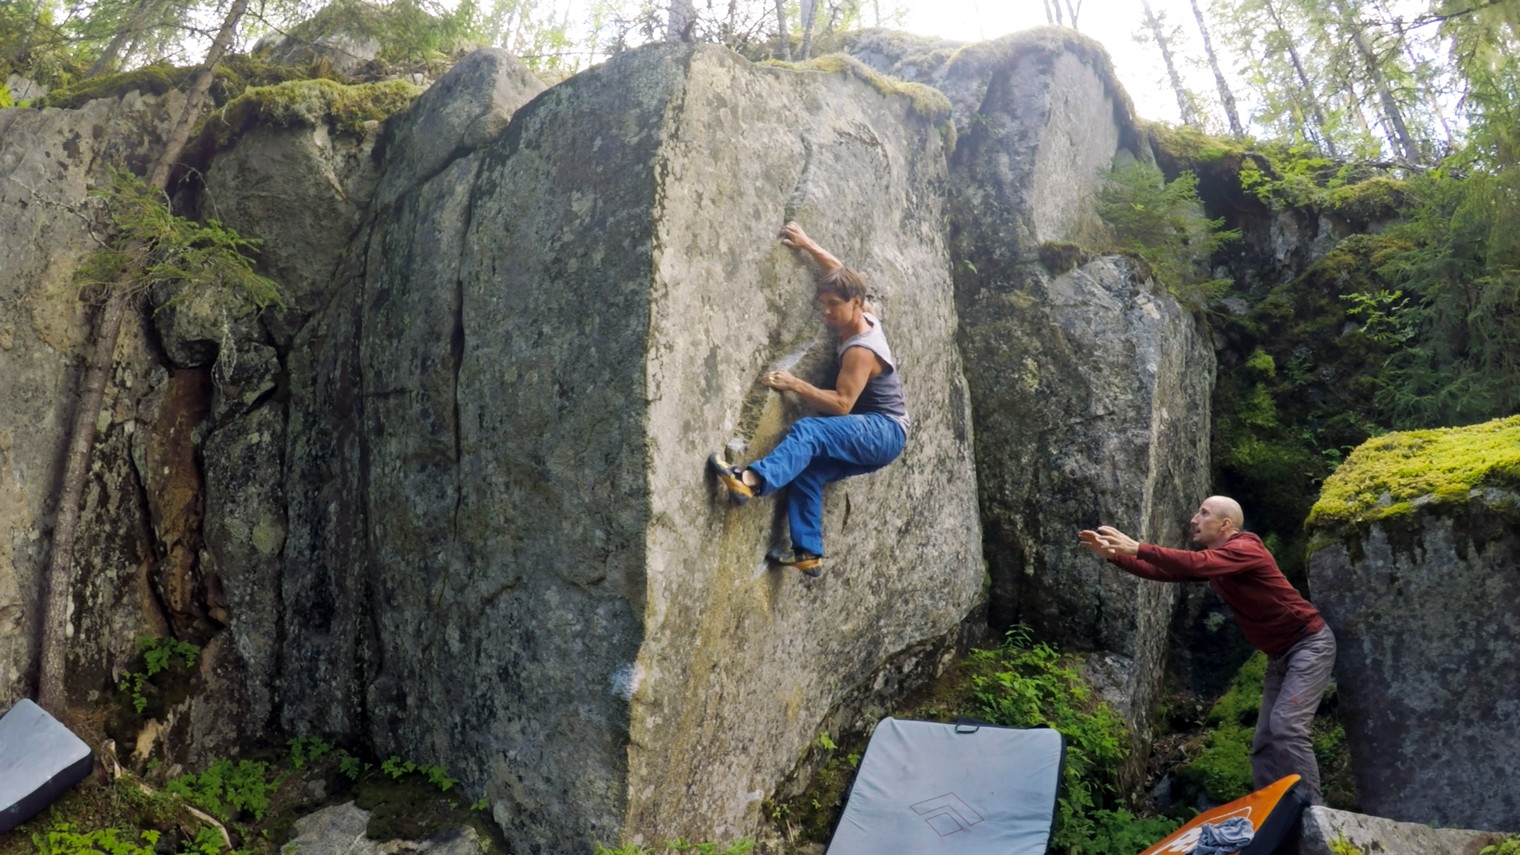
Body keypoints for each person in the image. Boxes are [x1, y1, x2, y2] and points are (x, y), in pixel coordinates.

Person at [1078, 496, 1336, 800]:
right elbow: (1165, 571)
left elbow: (1194, 562)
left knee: (1287, 727)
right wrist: (1114, 556)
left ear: (1225, 524)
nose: (1194, 519)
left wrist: (1138, 547)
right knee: (1265, 740)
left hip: (1308, 644)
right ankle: (1269, 811)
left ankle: (1312, 809)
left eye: (1204, 513)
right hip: (1279, 655)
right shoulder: (1218, 562)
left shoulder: (1246, 548)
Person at [708, 221, 910, 578]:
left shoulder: (861, 351)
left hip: (883, 430)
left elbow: (843, 405)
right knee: (808, 471)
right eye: (823, 304)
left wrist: (795, 384)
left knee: (810, 432)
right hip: (885, 439)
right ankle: (808, 552)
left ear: (855, 304)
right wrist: (807, 244)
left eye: (834, 305)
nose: (827, 311)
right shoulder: (864, 313)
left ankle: (751, 481)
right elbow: (839, 271)